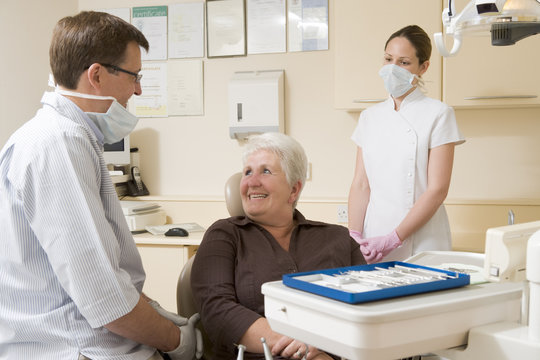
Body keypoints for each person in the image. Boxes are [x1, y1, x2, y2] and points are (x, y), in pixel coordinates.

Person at [0, 11, 201, 360]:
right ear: (96, 75)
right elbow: (106, 299)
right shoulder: (58, 144)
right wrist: (176, 340)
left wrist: (151, 309)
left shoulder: (55, 137)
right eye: (133, 76)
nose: (137, 89)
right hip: (77, 348)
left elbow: (101, 275)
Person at [191, 133, 366, 360]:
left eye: (265, 171)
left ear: (294, 190)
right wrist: (302, 344)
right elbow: (217, 310)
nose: (252, 181)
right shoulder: (224, 235)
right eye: (247, 172)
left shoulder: (337, 238)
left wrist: (323, 347)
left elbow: (364, 307)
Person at [347, 25, 465, 264]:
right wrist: (353, 236)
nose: (392, 69)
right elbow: (361, 185)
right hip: (373, 238)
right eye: (388, 59)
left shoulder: (439, 114)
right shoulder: (370, 117)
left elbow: (437, 190)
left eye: (403, 62)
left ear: (423, 67)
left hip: (422, 241)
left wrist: (393, 239)